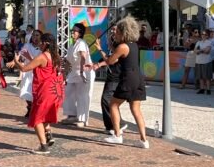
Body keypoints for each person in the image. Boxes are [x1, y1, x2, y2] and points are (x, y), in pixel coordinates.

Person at [91, 16, 149, 148]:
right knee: (136, 110)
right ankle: (144, 140)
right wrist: (110, 46)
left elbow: (110, 61)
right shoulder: (134, 45)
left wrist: (99, 49)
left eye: (117, 32)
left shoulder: (122, 46)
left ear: (123, 33)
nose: (115, 34)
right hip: (138, 79)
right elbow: (117, 57)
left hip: (127, 79)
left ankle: (117, 135)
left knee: (113, 105)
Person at [7, 32, 64, 154]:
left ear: (46, 44)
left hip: (45, 91)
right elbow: (42, 66)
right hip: (55, 91)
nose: (39, 45)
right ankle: (47, 134)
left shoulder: (43, 56)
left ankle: (43, 146)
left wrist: (16, 61)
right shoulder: (56, 57)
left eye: (41, 43)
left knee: (37, 118)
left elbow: (24, 68)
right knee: (46, 115)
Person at [62, 23, 95, 127]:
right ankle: (72, 115)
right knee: (68, 91)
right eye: (72, 30)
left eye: (75, 31)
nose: (72, 32)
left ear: (80, 33)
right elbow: (68, 62)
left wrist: (82, 72)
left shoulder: (81, 43)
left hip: (84, 71)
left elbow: (83, 58)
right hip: (74, 72)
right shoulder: (72, 45)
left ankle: (82, 119)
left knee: (82, 95)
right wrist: (63, 74)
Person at [15, 30, 42, 116]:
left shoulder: (42, 48)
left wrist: (31, 59)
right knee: (25, 90)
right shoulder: (27, 45)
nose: (35, 37)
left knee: (35, 92)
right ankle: (30, 107)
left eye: (37, 35)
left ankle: (35, 109)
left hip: (38, 72)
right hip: (27, 71)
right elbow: (20, 54)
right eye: (33, 35)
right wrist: (14, 61)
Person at [194, 29, 213, 95]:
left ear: (207, 36)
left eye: (205, 34)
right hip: (198, 61)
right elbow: (195, 51)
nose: (203, 35)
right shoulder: (198, 42)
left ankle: (208, 89)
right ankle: (202, 89)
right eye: (202, 34)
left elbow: (207, 51)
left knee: (207, 77)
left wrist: (200, 51)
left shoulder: (209, 42)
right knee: (200, 76)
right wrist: (202, 50)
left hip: (206, 61)